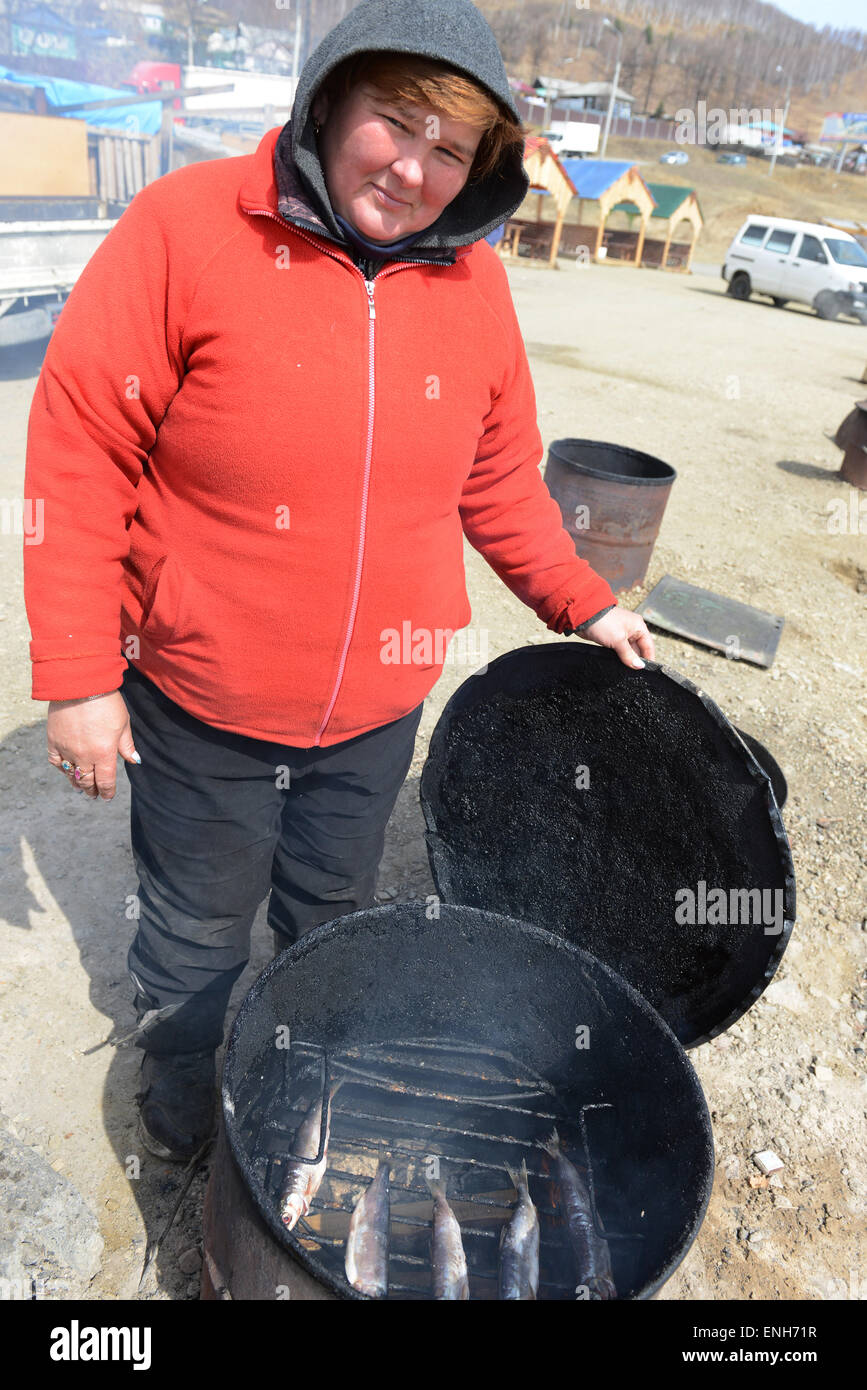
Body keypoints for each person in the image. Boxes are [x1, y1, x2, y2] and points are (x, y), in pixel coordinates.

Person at [23, 0, 653, 1161]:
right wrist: (75, 675)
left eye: (452, 150)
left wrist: (587, 598)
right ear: (332, 100)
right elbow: (78, 448)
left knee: (329, 911)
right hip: (205, 701)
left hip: (374, 708)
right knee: (198, 924)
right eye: (396, 123)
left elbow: (500, 481)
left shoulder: (472, 286)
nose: (414, 170)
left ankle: (304, 1063)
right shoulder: (188, 226)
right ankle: (180, 1076)